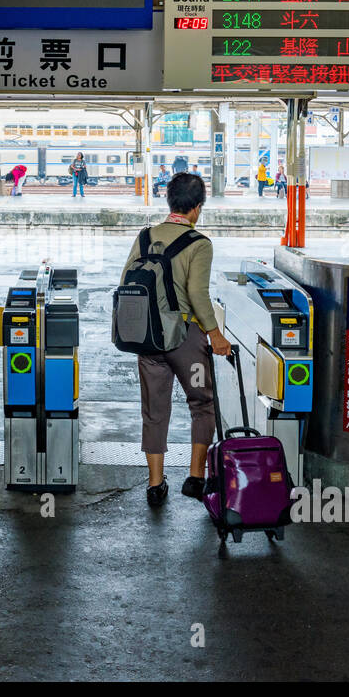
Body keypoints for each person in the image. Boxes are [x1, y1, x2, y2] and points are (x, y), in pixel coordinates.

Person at [121, 172, 233, 508]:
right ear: (197, 208)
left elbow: (127, 282)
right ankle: (196, 477)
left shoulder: (144, 237)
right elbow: (197, 294)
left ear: (170, 202)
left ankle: (156, 485)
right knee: (202, 404)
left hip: (149, 339)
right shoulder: (199, 243)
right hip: (186, 341)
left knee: (154, 411)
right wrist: (215, 334)